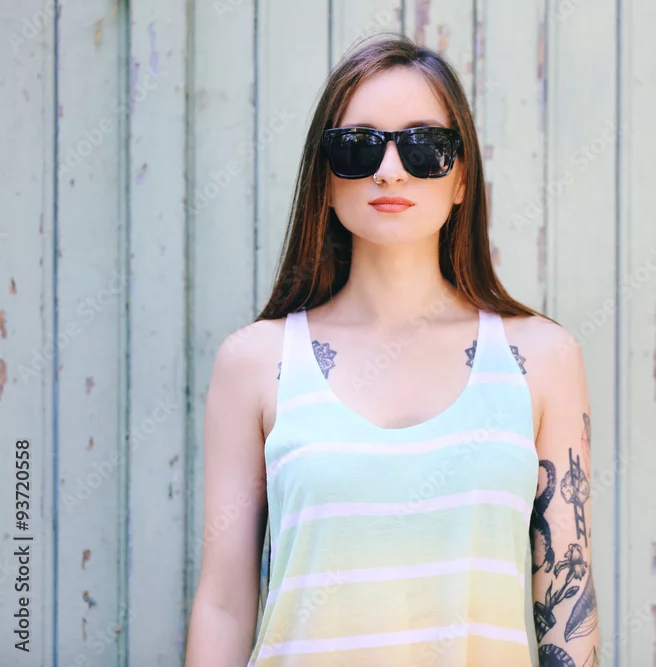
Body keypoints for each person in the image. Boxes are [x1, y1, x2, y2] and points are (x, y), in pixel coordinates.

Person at [184, 34, 599, 667]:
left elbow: (569, 610)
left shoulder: (543, 358)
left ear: (462, 178)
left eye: (424, 146)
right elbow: (223, 604)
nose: (390, 170)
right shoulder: (255, 363)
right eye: (358, 146)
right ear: (324, 179)